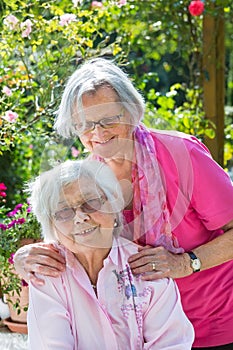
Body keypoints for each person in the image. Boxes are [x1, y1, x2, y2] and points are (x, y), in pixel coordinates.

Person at [14, 58, 233, 349]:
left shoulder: (182, 155)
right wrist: (24, 259)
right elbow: (70, 237)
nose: (98, 132)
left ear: (131, 112)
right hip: (137, 335)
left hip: (213, 322)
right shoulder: (90, 180)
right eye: (85, 124)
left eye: (108, 119)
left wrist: (185, 263)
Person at [26, 159, 194, 349]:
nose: (80, 217)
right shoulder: (47, 275)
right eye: (64, 211)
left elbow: (171, 344)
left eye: (90, 203)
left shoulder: (148, 267)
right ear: (52, 226)